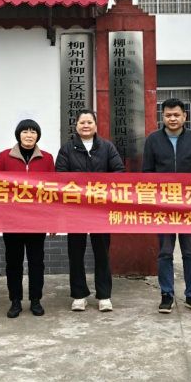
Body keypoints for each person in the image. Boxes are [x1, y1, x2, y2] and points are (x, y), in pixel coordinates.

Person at [142, 98, 191, 315]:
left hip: (189, 206)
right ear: (162, 116)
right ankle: (167, 295)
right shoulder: (153, 140)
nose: (172, 119)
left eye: (176, 115)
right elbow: (147, 173)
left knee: (190, 252)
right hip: (164, 206)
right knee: (165, 252)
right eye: (168, 115)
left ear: (184, 116)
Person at [56, 109, 124, 312]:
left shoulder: (107, 147)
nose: (86, 126)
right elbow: (60, 176)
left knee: (102, 253)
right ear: (76, 125)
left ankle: (104, 295)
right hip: (75, 210)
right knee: (75, 253)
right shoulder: (67, 149)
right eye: (82, 122)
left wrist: (99, 185)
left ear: (95, 125)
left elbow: (119, 172)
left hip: (100, 209)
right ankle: (79, 295)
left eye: (89, 122)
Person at [0, 119, 55, 318]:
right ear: (18, 135)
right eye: (25, 132)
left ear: (38, 136)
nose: (29, 135)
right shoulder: (4, 157)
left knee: (37, 262)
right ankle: (15, 301)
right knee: (13, 262)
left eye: (33, 132)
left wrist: (53, 221)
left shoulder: (47, 158)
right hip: (11, 220)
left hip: (38, 220)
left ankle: (36, 299)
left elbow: (54, 191)